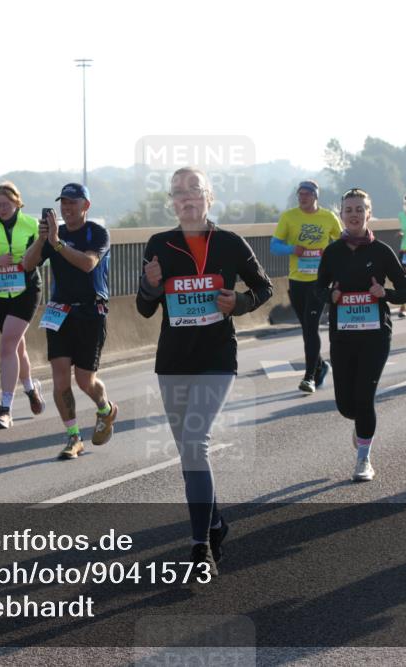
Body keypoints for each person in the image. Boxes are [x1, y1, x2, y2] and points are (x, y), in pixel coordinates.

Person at [137, 167, 273, 573]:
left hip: (217, 357)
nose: (186, 198)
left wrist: (241, 303)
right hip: (174, 360)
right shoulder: (159, 244)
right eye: (178, 193)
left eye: (193, 190)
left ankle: (200, 548)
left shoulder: (230, 243)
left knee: (196, 444)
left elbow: (264, 286)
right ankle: (213, 522)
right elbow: (145, 309)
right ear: (172, 202)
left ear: (208, 197)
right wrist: (151, 285)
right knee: (188, 454)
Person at [316, 188, 406, 482]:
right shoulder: (332, 252)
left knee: (364, 397)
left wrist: (385, 293)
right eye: (349, 210)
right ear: (342, 215)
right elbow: (317, 289)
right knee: (347, 405)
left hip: (375, 336)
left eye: (360, 209)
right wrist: (329, 295)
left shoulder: (381, 251)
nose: (354, 214)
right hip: (343, 336)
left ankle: (363, 460)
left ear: (368, 214)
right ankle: (360, 428)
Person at [22, 183, 117, 460]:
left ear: (86, 206)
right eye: (63, 202)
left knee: (85, 380)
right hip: (59, 312)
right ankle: (73, 437)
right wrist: (43, 239)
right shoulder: (54, 234)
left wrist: (58, 245)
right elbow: (27, 265)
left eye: (73, 202)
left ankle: (105, 409)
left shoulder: (97, 233)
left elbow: (88, 263)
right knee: (60, 377)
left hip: (91, 312)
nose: (66, 207)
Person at [0, 182, 45, 429]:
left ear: (17, 202)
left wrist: (26, 260)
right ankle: (30, 388)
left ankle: (5, 409)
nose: (2, 208)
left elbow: (44, 259)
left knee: (7, 345)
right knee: (16, 347)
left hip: (26, 291)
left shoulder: (32, 225)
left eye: (6, 204)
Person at [269, 180, 341, 393]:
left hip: (319, 282)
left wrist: (331, 261)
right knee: (307, 329)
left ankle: (309, 377)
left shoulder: (328, 217)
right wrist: (293, 249)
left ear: (315, 196)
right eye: (300, 194)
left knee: (311, 327)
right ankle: (320, 365)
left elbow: (341, 243)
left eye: (307, 194)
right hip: (297, 281)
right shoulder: (289, 217)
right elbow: (274, 246)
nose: (303, 197)